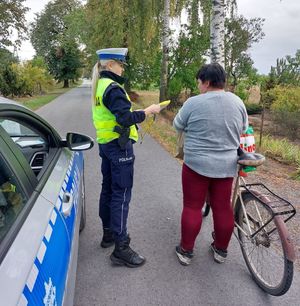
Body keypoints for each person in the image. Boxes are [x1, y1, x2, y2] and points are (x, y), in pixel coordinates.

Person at [91, 48, 161, 268]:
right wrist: (149, 111)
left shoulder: (100, 85)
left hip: (106, 144)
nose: (123, 69)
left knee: (109, 189)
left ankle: (108, 234)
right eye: (121, 65)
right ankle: (121, 248)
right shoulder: (113, 88)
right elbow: (126, 117)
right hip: (119, 147)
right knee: (121, 195)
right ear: (111, 64)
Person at [173, 63, 248, 266]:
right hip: (226, 166)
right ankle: (221, 250)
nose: (198, 86)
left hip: (196, 164)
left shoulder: (193, 103)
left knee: (192, 206)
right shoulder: (238, 102)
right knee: (223, 207)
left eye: (199, 82)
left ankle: (186, 251)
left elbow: (177, 124)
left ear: (206, 82)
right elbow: (244, 128)